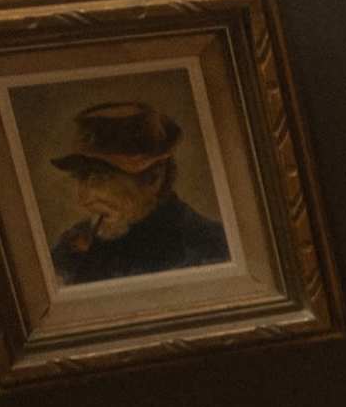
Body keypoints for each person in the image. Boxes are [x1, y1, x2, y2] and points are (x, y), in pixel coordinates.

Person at [46, 100, 231, 284]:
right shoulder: (74, 246)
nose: (83, 199)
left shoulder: (208, 246)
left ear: (153, 178)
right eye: (80, 177)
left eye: (100, 179)